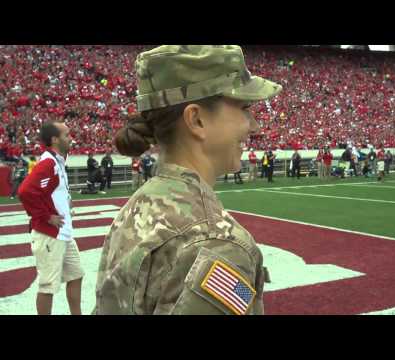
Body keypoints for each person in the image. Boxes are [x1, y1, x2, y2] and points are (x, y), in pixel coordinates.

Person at [94, 45, 282, 315]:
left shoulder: (140, 203)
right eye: (244, 108)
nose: (254, 126)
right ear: (197, 120)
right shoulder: (219, 243)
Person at [17, 120, 84, 315]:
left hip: (63, 233)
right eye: (66, 135)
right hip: (49, 234)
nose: (70, 138)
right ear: (55, 139)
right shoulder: (48, 163)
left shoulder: (57, 160)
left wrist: (65, 202)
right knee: (48, 286)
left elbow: (50, 191)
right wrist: (46, 216)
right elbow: (25, 191)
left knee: (76, 275)